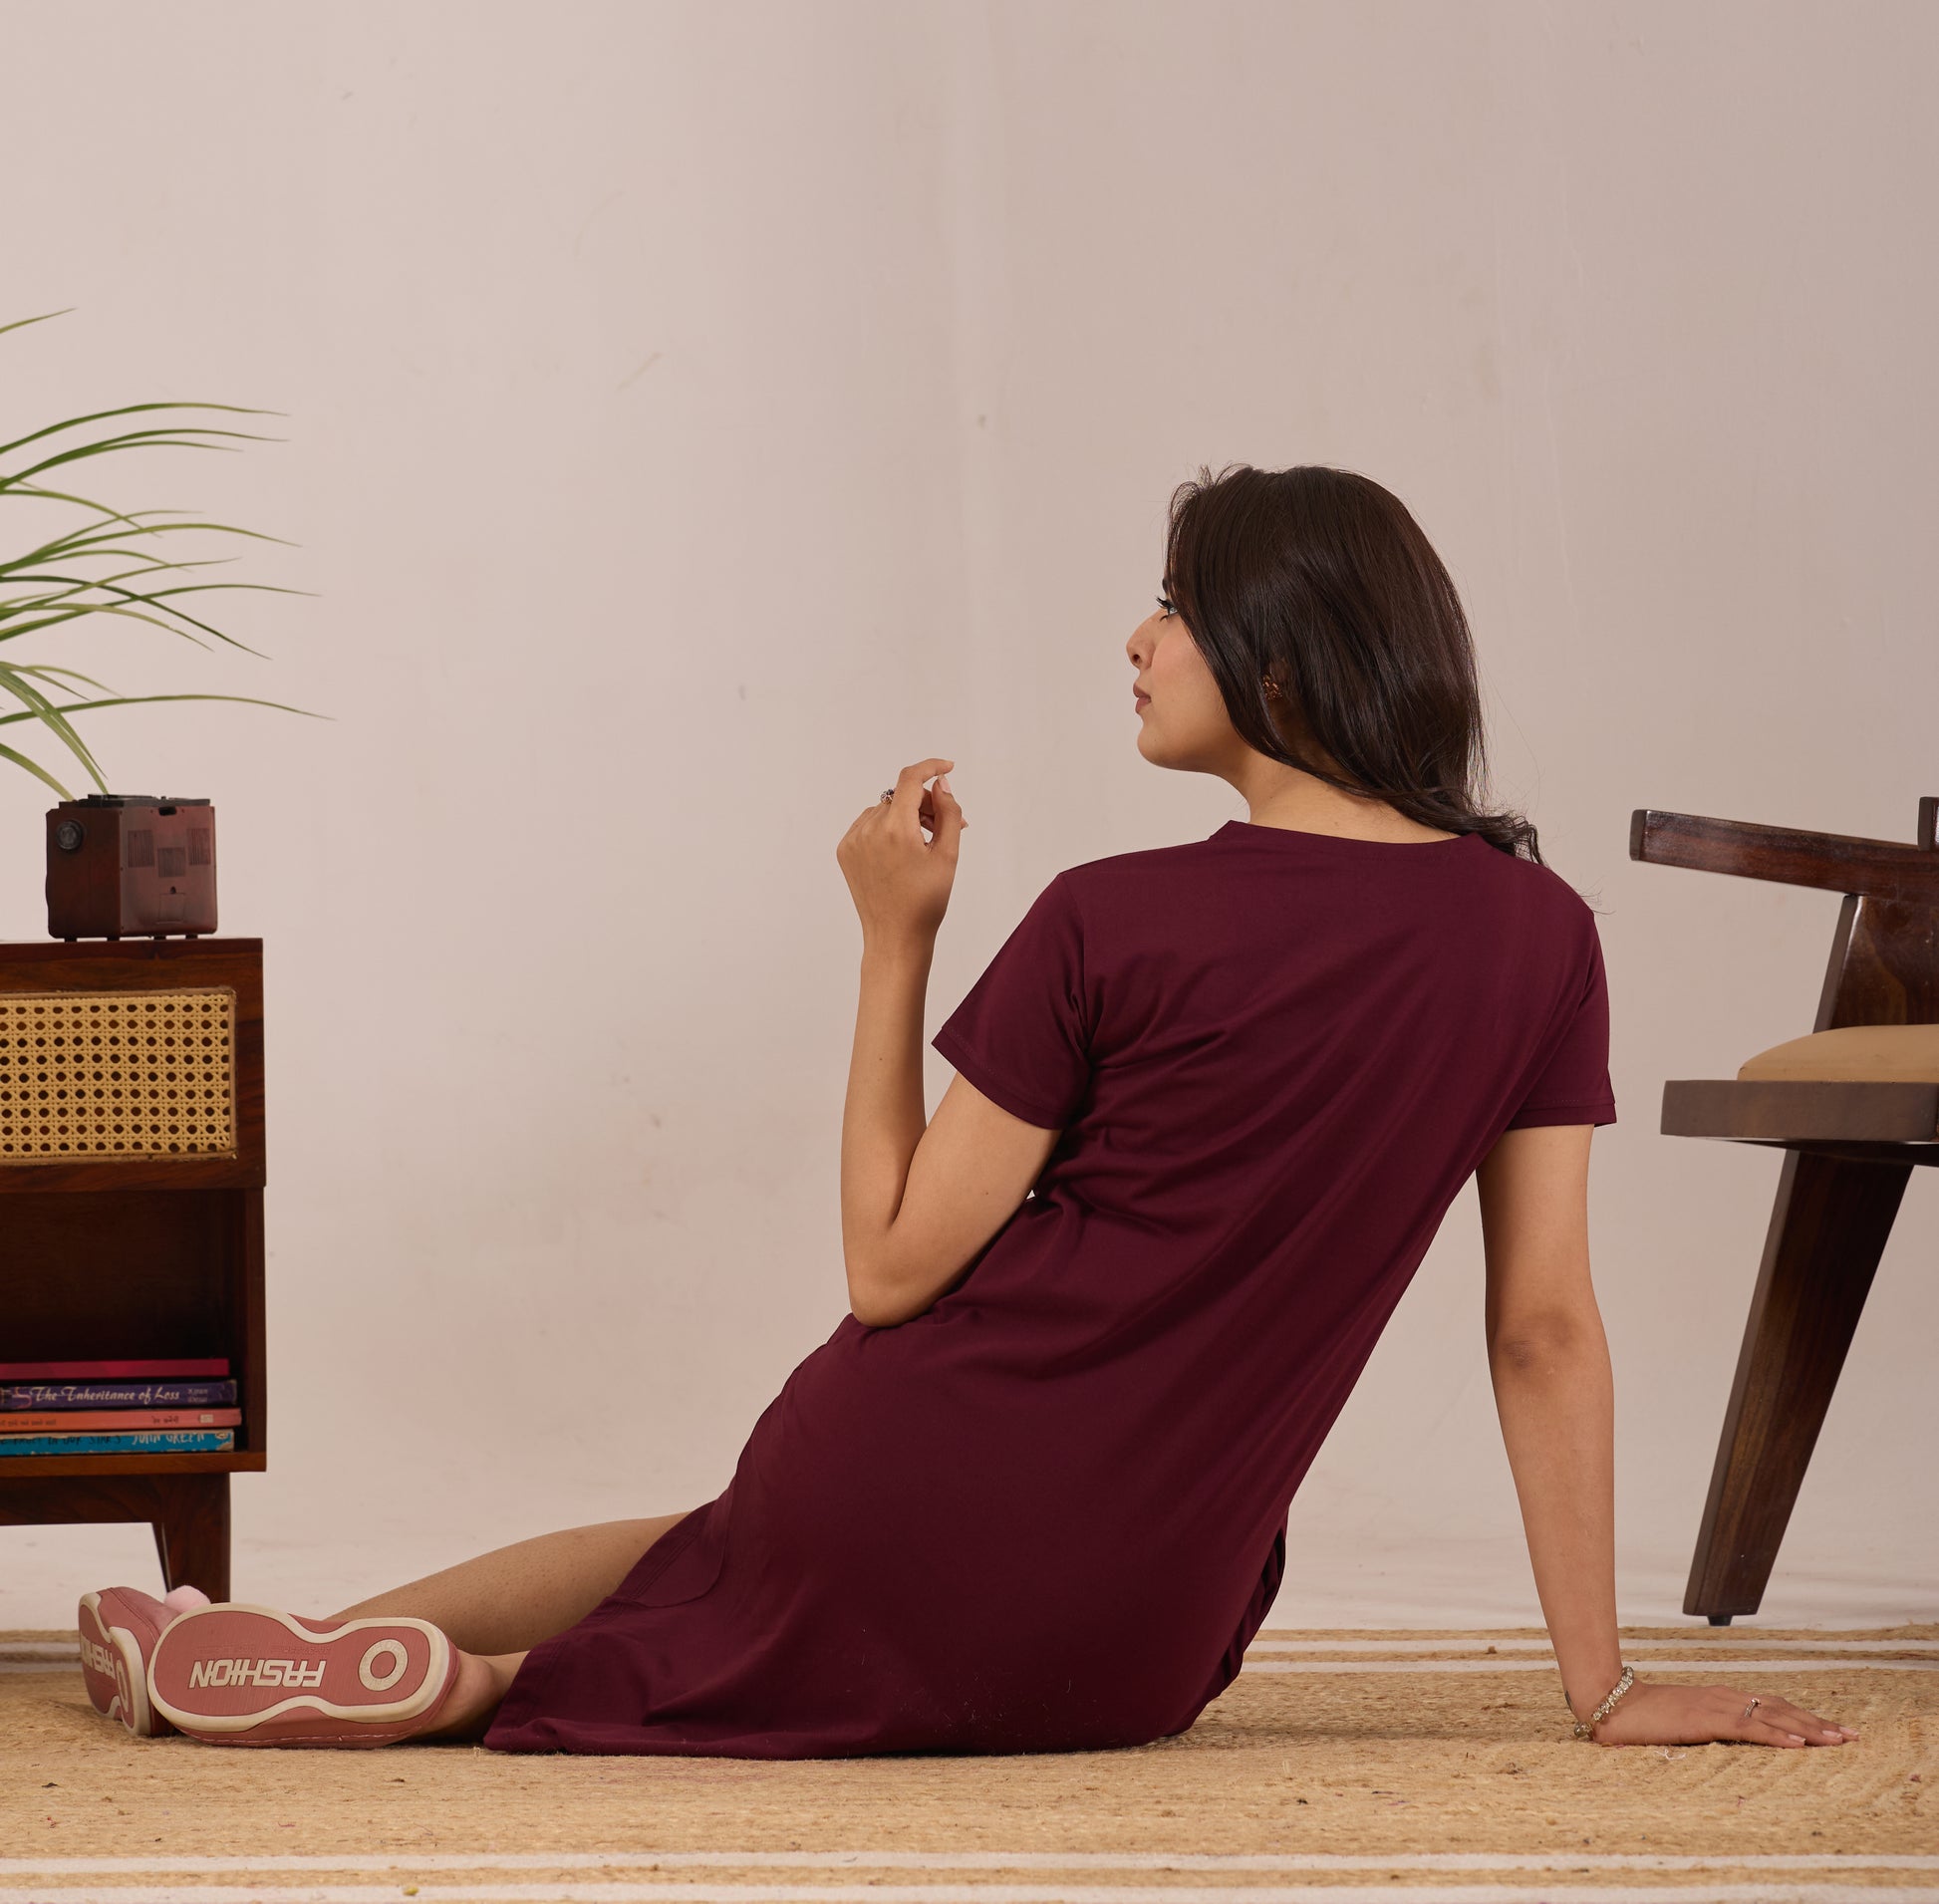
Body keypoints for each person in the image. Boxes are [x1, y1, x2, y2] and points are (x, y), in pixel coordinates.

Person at [80, 464, 1854, 1756]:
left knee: (716, 1562)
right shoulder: (1537, 936)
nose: (1138, 639)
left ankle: (408, 1675)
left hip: (893, 1483)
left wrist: (891, 943)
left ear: (1284, 662)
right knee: (710, 1566)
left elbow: (890, 1270)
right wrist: (1603, 1684)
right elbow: (1543, 1329)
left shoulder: (1109, 917)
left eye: (1176, 606)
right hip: (1130, 1643)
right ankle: (307, 1647)